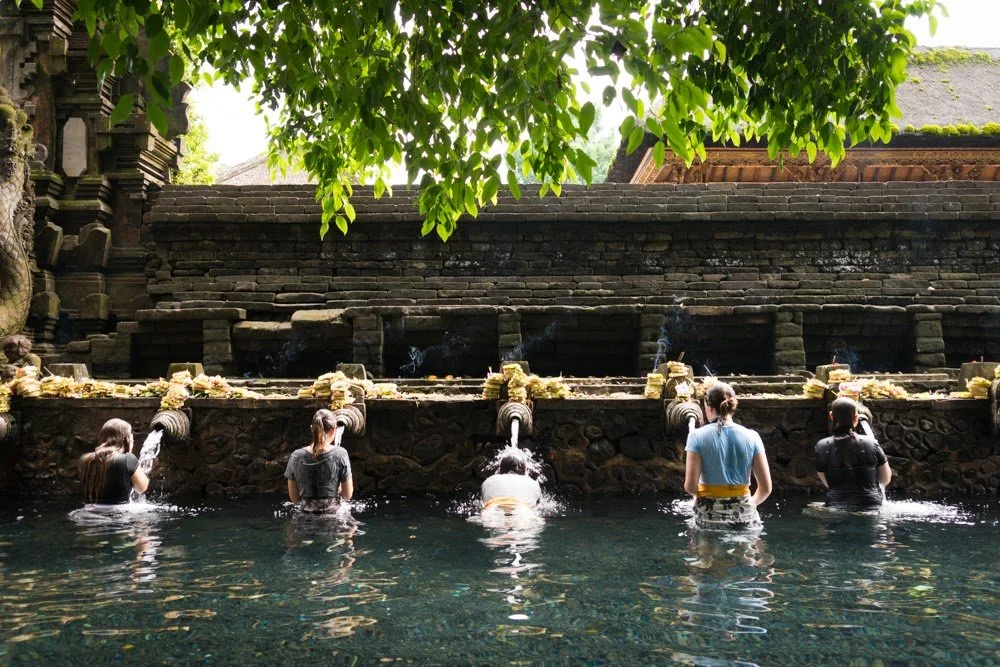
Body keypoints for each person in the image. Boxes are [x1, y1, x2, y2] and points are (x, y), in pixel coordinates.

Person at [684, 382, 772, 529]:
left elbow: (691, 488)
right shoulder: (753, 436)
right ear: (732, 406)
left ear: (709, 407)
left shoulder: (696, 436)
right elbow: (766, 488)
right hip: (746, 519)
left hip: (709, 520)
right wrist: (746, 506)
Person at [814, 397, 891, 510]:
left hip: (836, 506)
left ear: (831, 416)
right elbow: (885, 480)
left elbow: (827, 483)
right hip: (871, 506)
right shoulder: (871, 443)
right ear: (856, 418)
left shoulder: (821, 446)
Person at [285, 409, 354, 513]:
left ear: (312, 429)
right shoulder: (340, 454)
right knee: (351, 522)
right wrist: (336, 488)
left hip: (305, 517)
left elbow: (294, 499)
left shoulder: (296, 456)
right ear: (334, 430)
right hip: (334, 517)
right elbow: (347, 495)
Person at [78, 418, 149, 505]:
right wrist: (129, 455)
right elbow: (141, 488)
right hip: (118, 511)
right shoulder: (128, 459)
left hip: (89, 510)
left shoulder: (85, 459)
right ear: (126, 439)